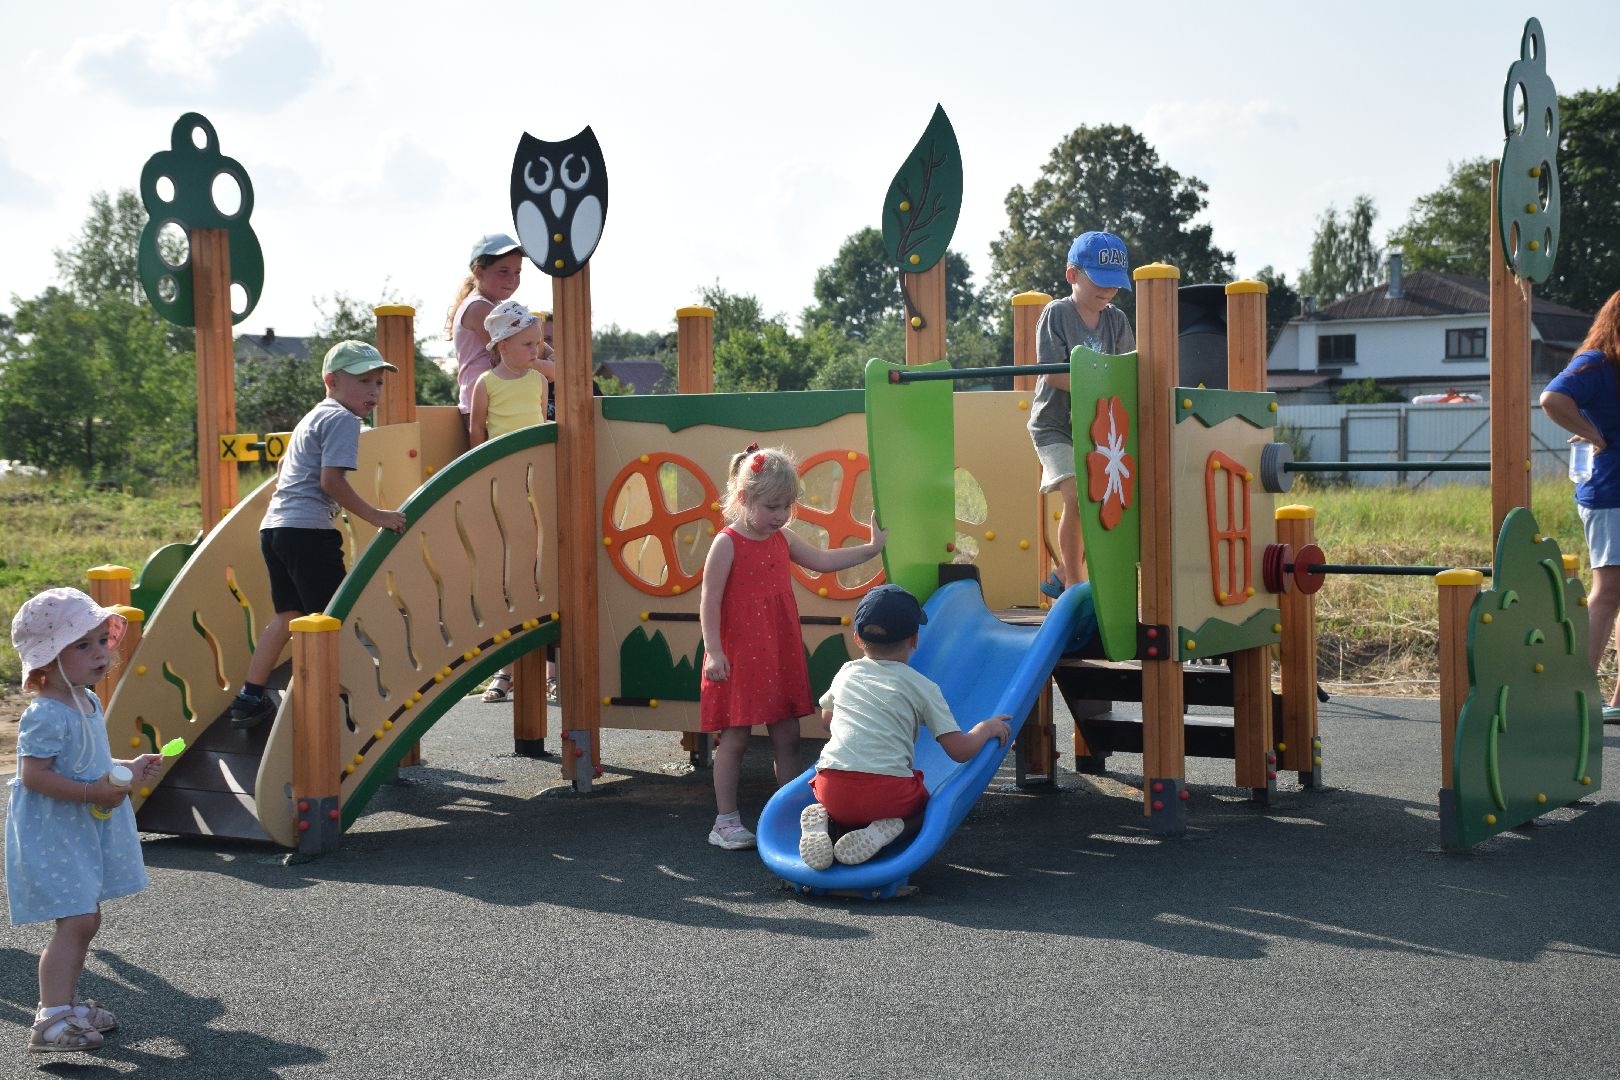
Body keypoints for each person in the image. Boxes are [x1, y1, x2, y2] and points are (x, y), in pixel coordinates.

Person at [699, 445, 888, 850]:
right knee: (734, 738)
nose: (781, 515)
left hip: (776, 651)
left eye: (786, 506)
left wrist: (871, 550)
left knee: (787, 735)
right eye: (771, 507)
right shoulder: (727, 542)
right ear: (743, 499)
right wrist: (714, 651)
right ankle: (725, 821)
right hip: (737, 654)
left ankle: (786, 815)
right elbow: (709, 600)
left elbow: (821, 560)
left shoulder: (781, 538)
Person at [7, 588, 164, 1054]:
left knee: (86, 917)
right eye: (82, 645)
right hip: (53, 830)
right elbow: (33, 776)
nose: (100, 654)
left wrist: (125, 768)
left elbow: (86, 758)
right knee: (76, 920)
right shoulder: (47, 713)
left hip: (77, 825)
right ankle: (50, 1019)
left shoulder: (86, 701)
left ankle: (66, 1004)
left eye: (101, 641)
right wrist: (92, 792)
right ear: (47, 660)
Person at [226, 342, 409, 727]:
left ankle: (249, 697)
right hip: (309, 532)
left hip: (276, 529)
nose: (374, 391)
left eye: (378, 383)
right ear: (331, 381)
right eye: (363, 381)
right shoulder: (343, 420)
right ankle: (336, 707)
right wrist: (376, 515)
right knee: (334, 622)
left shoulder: (313, 417)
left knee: (287, 615)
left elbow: (282, 467)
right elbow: (331, 481)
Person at [797, 585, 1011, 869]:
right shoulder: (923, 687)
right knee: (930, 807)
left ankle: (828, 824)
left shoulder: (847, 672)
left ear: (857, 638)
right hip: (890, 795)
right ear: (915, 639)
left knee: (839, 797)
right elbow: (959, 751)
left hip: (832, 789)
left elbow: (827, 721)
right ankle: (885, 832)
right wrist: (984, 729)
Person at [1027, 231, 1136, 598]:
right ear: (1072, 275)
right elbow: (1054, 373)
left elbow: (1127, 370)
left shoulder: (1116, 321)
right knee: (1075, 494)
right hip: (1054, 426)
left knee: (1102, 500)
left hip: (1097, 427)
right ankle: (1074, 584)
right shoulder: (1057, 314)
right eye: (1099, 283)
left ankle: (1062, 573)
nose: (1107, 293)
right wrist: (1102, 385)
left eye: (1114, 286)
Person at [1539, 287, 1620, 723]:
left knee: (1616, 595)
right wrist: (1593, 433)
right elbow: (1552, 398)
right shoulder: (1597, 362)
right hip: (1611, 494)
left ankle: (1616, 701)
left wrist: (1590, 426)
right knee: (1607, 594)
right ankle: (1575, 698)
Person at [467, 301, 549, 702]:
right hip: (505, 481)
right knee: (510, 567)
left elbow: (539, 420)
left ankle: (547, 665)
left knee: (539, 566)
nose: (537, 351)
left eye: (538, 343)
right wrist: (484, 475)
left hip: (537, 481)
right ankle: (506, 668)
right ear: (501, 345)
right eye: (528, 344)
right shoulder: (488, 383)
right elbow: (477, 429)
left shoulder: (538, 381)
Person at [445, 234, 554, 418]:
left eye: (517, 272)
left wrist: (551, 357)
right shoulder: (480, 308)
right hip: (486, 406)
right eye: (503, 271)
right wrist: (551, 366)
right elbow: (517, 352)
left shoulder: (495, 307)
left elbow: (537, 345)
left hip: (499, 400)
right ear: (479, 272)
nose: (512, 279)